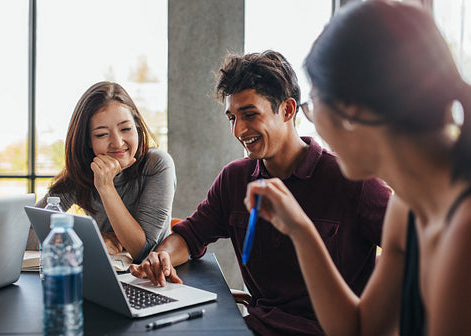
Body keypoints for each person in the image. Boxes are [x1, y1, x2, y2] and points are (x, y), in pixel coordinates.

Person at [244, 1, 471, 335]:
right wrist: (300, 231)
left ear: (352, 111)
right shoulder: (407, 207)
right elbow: (361, 329)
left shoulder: (463, 229)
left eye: (312, 105)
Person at [130, 51, 391, 335]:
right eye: (232, 118)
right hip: (254, 327)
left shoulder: (353, 182)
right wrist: (162, 256)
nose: (238, 130)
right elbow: (190, 235)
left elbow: (417, 252)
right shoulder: (235, 179)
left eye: (250, 115)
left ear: (288, 110)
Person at [30, 81, 176, 262]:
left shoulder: (157, 164)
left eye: (126, 129)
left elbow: (143, 250)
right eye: (101, 134)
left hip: (155, 277)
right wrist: (92, 237)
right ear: (87, 141)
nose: (117, 142)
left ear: (137, 127)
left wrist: (106, 186)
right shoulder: (82, 173)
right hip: (105, 273)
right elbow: (25, 233)